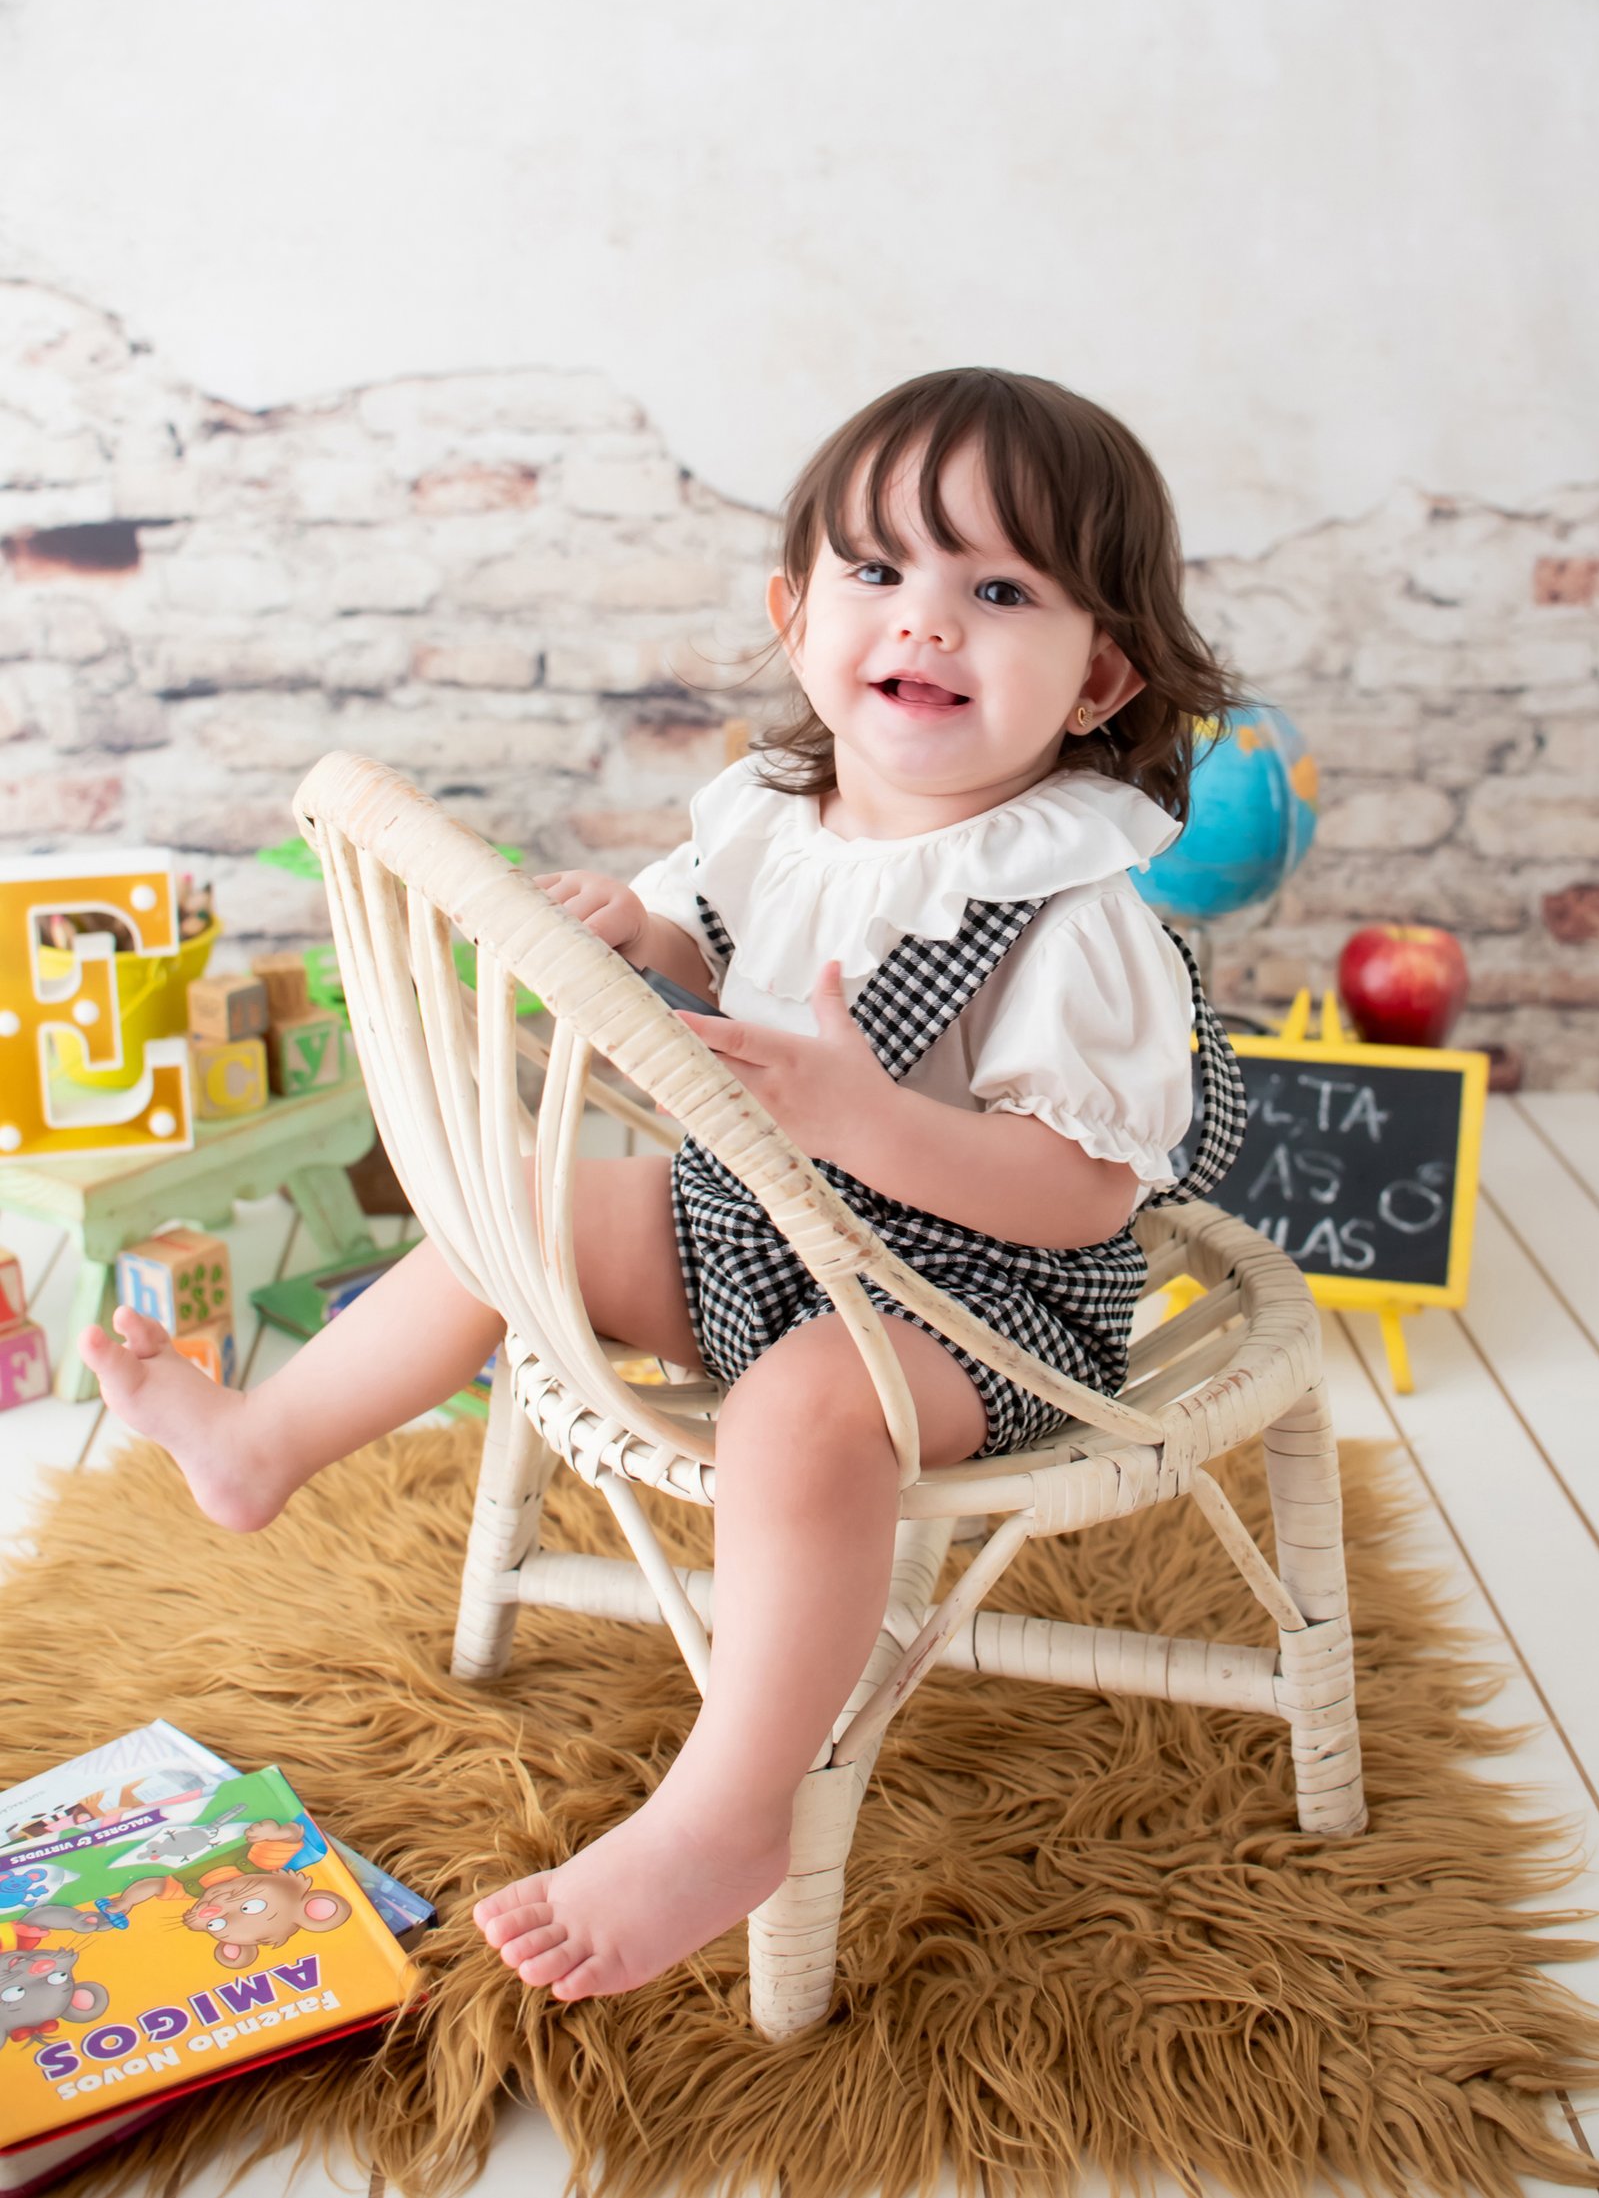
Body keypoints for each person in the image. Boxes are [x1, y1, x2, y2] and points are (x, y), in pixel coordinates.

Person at [78, 366, 1247, 2008]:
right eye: (878, 570)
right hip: (754, 1233)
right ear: (795, 615)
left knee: (803, 1410)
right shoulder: (775, 817)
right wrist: (636, 933)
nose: (926, 619)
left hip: (976, 1305)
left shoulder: (1067, 905)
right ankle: (262, 1440)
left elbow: (1081, 1194)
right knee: (520, 1214)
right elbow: (706, 942)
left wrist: (865, 1120)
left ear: (1098, 676)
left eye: (999, 592)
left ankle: (726, 1808)